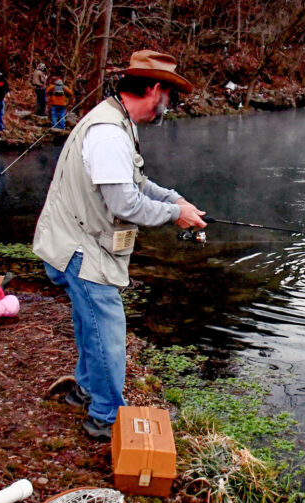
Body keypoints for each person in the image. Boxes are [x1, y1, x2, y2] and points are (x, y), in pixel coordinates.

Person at [32, 50, 206, 440]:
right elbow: (124, 203)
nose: (169, 106)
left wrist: (175, 200)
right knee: (106, 330)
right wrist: (173, 216)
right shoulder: (109, 133)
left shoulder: (118, 122)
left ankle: (87, 390)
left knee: (87, 322)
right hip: (81, 249)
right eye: (169, 97)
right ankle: (106, 418)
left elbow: (138, 185)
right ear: (155, 89)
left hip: (77, 243)